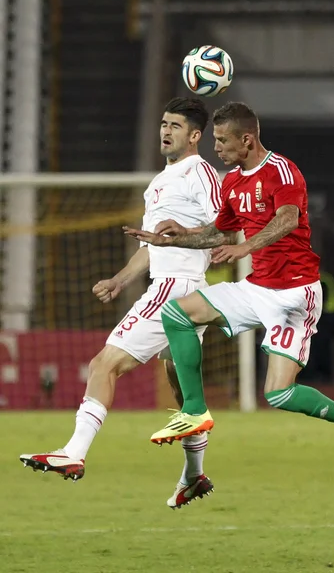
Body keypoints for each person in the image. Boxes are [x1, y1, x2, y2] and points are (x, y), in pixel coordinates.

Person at [125, 101, 334, 464]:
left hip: (295, 294)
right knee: (177, 315)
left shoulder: (281, 171)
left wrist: (246, 246)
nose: (215, 147)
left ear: (247, 140)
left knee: (279, 395)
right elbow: (218, 233)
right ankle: (194, 411)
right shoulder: (232, 181)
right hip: (256, 288)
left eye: (222, 140)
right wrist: (174, 238)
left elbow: (289, 219)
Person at [20, 97, 226, 508]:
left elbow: (223, 231)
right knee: (181, 388)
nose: (165, 131)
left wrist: (179, 235)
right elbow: (152, 246)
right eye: (163, 123)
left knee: (103, 364)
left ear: (196, 135)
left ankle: (74, 453)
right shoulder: (160, 182)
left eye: (175, 126)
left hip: (175, 289)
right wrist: (119, 279)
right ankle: (194, 474)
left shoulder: (200, 173)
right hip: (177, 286)